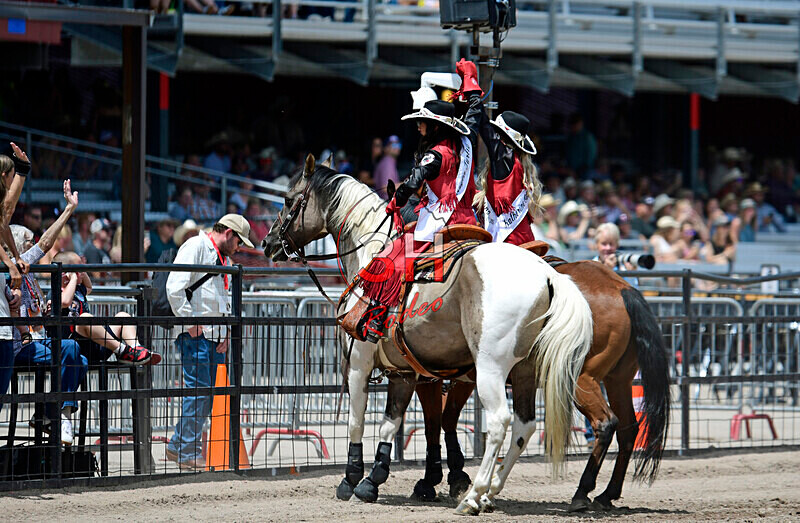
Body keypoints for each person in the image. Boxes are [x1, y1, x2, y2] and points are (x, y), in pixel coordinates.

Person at [356, 92, 479, 343]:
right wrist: (473, 92)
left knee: (392, 255)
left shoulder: (434, 154)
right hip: (470, 219)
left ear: (436, 126)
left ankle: (377, 318)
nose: (419, 126)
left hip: (442, 219)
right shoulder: (466, 145)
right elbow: (474, 119)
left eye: (423, 122)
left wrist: (395, 202)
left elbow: (412, 183)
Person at [165, 214, 253, 470]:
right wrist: (190, 323)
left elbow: (219, 298)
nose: (239, 247)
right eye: (239, 241)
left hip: (211, 336)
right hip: (198, 336)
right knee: (198, 392)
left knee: (204, 394)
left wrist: (223, 332)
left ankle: (180, 446)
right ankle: (186, 450)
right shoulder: (195, 247)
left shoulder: (219, 255)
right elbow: (175, 287)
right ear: (228, 233)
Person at [11, 180, 88, 445]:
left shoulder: (26, 271)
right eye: (28, 243)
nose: (35, 247)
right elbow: (44, 244)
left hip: (35, 339)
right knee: (69, 349)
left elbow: (45, 243)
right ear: (17, 247)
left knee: (81, 359)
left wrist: (69, 209)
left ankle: (50, 413)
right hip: (17, 345)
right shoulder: (11, 268)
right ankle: (58, 416)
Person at [464, 57, 542, 246]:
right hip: (526, 240)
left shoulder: (504, 158)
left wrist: (470, 81)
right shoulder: (519, 165)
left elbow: (482, 123)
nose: (495, 137)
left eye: (498, 133)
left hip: (508, 243)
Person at [47, 251, 159, 366]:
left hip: (98, 343)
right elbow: (65, 302)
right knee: (85, 318)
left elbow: (89, 287)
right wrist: (73, 279)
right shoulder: (55, 292)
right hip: (76, 348)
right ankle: (122, 351)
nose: (82, 272)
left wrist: (80, 271)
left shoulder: (78, 289)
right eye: (78, 269)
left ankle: (135, 349)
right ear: (66, 274)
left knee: (123, 316)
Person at [373, 135, 402, 200]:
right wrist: (408, 184)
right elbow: (385, 188)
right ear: (385, 148)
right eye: (393, 145)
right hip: (385, 204)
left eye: (399, 144)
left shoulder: (389, 161)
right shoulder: (388, 162)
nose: (397, 147)